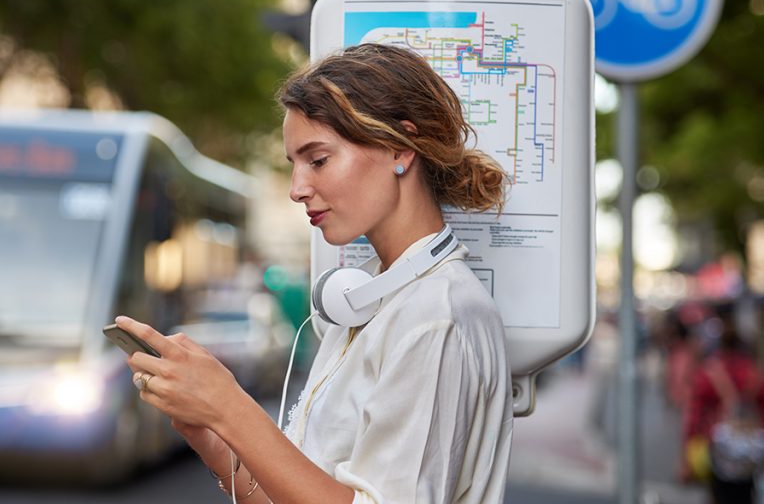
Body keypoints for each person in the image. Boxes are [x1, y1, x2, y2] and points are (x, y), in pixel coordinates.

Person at [115, 43, 512, 503]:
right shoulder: (365, 299)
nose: (297, 189)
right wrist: (207, 430)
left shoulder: (436, 316)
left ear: (399, 149)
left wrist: (230, 406)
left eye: (317, 160)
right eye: (294, 165)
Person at [683, 305, 764, 504]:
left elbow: (694, 417)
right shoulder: (756, 374)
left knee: (719, 496)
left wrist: (686, 456)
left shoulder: (709, 373)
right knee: (747, 496)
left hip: (718, 451)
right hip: (751, 452)